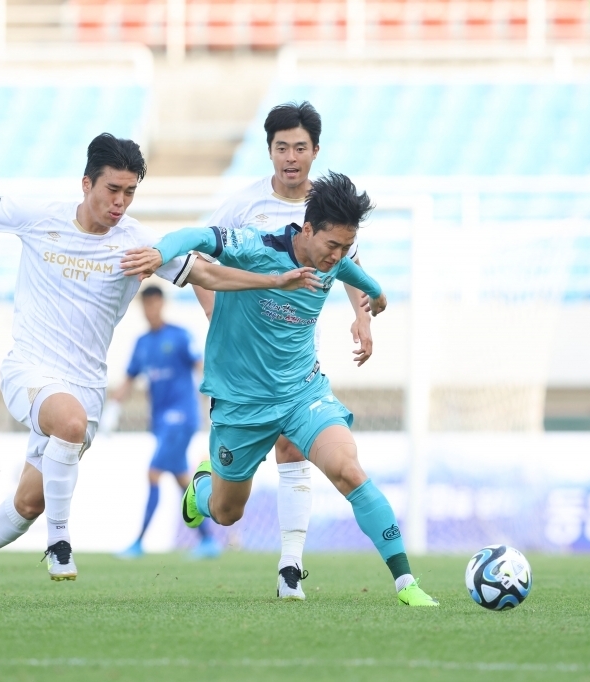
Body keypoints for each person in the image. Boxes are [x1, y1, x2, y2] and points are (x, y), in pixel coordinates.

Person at [0, 133, 320, 606]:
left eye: (129, 193)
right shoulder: (41, 217)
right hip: (31, 367)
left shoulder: (140, 242)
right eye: (112, 190)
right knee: (68, 422)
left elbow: (205, 273)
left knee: (27, 504)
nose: (119, 203)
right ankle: (59, 543)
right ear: (87, 184)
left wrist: (269, 281)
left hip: (86, 385)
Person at [121, 171, 439, 606]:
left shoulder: (335, 260)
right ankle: (201, 489)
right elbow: (193, 234)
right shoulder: (256, 247)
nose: (337, 257)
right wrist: (158, 253)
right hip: (241, 402)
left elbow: (358, 276)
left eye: (346, 248)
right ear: (307, 230)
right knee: (227, 513)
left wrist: (375, 298)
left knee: (348, 469)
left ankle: (407, 583)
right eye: (332, 246)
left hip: (303, 394)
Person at [191, 101, 375, 599]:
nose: (290, 157)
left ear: (315, 151)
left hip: (296, 357)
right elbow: (199, 262)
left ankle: (290, 566)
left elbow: (351, 269)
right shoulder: (243, 206)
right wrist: (214, 312)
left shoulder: (332, 210)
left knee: (294, 446)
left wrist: (361, 316)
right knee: (230, 510)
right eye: (281, 147)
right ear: (269, 150)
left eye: (300, 147)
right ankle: (203, 492)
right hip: (245, 366)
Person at [105, 286, 222, 560]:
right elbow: (130, 377)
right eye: (146, 305)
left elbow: (200, 366)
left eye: (154, 303)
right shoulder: (142, 343)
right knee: (182, 479)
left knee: (154, 473)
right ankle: (208, 541)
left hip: (181, 417)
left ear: (162, 304)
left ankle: (138, 542)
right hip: (160, 420)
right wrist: (112, 408)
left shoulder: (179, 337)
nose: (150, 309)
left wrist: (217, 396)